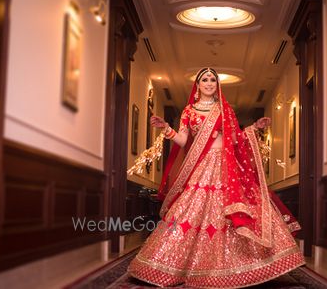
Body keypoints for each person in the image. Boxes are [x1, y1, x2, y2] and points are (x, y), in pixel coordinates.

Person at [128, 67, 305, 288]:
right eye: (205, 80)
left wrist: (253, 129)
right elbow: (184, 140)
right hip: (201, 167)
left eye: (213, 80)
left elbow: (235, 139)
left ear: (217, 85)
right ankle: (171, 266)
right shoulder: (189, 111)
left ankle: (241, 268)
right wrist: (166, 128)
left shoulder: (224, 110)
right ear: (198, 85)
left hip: (226, 167)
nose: (209, 83)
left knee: (230, 212)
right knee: (189, 211)